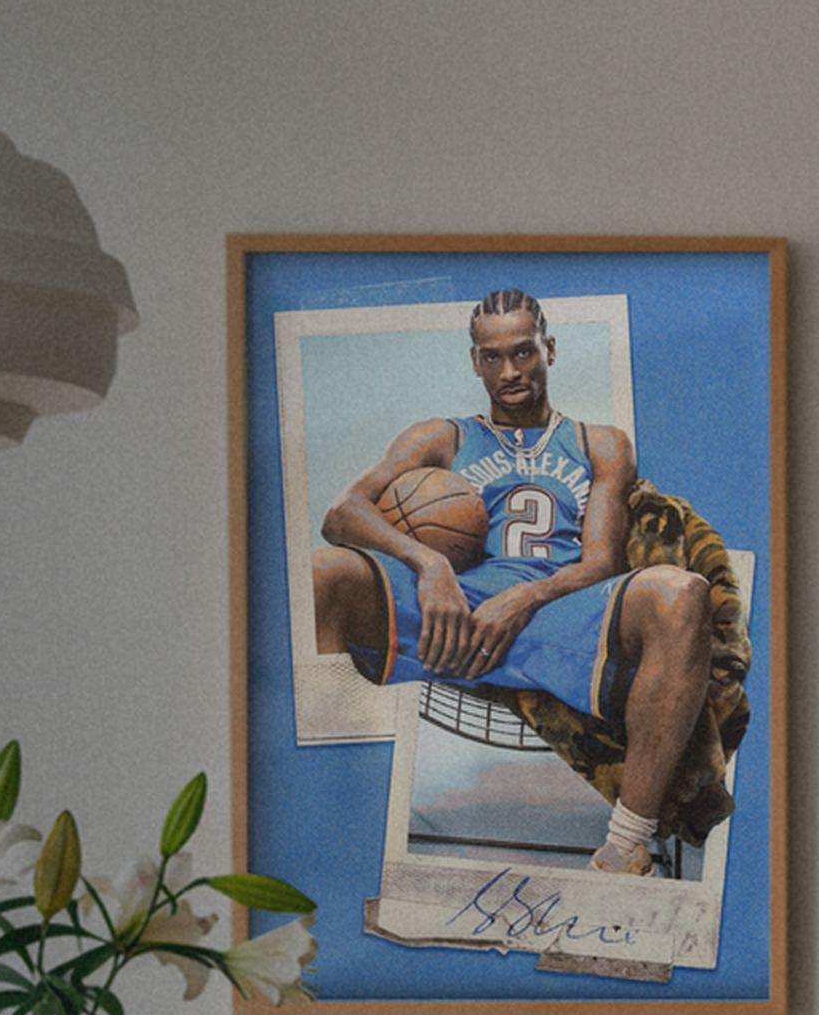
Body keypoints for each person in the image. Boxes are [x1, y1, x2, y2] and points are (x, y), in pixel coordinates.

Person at [312, 287, 736, 875]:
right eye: (492, 357)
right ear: (474, 360)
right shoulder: (441, 437)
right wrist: (429, 565)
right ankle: (326, 807)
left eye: (523, 353)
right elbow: (342, 513)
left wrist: (527, 595)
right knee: (324, 574)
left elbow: (602, 563)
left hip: (558, 612)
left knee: (680, 592)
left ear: (550, 350)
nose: (509, 371)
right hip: (452, 610)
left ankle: (624, 846)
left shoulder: (601, 443)